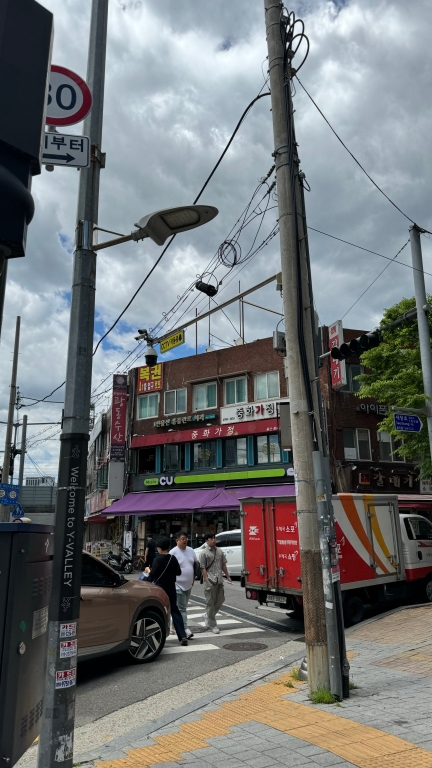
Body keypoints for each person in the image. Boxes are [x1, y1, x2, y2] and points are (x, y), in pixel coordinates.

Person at [146, 537, 188, 646]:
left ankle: (159, 636)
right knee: (175, 610)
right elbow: (178, 572)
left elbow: (152, 576)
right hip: (171, 588)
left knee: (159, 611)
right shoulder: (173, 558)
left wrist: (148, 570)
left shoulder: (157, 560)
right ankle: (182, 636)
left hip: (160, 589)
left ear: (159, 548)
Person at [198, 532, 232, 634]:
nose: (214, 540)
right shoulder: (203, 553)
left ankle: (207, 615)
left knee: (220, 600)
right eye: (211, 538)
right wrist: (206, 579)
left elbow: (223, 565)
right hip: (210, 580)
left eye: (214, 538)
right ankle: (213, 625)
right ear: (206, 541)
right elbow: (202, 568)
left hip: (219, 580)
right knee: (210, 603)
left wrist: (228, 576)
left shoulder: (219, 551)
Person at [170, 531, 198, 639]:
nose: (185, 540)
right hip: (177, 584)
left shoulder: (191, 550)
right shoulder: (173, 552)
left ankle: (173, 625)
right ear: (177, 540)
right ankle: (185, 629)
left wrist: (194, 577)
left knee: (182, 607)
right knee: (182, 608)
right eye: (183, 538)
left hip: (189, 584)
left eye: (186, 538)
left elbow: (195, 564)